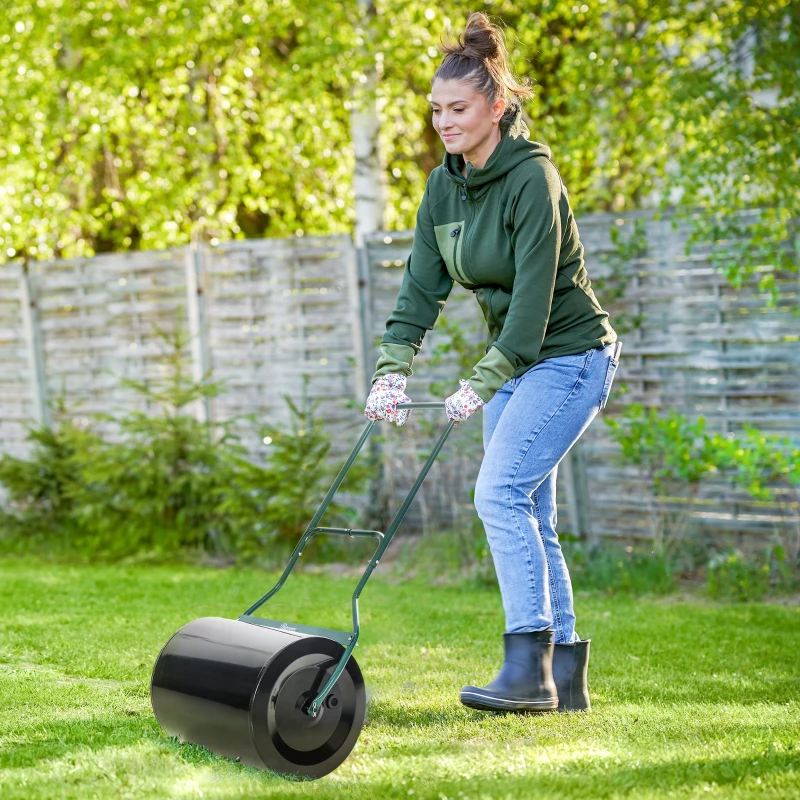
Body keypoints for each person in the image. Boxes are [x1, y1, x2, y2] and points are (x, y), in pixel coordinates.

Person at [364, 12, 622, 714]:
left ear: (495, 108)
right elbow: (421, 286)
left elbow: (533, 311)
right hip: (516, 364)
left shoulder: (532, 178)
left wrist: (477, 386)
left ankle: (527, 672)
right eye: (436, 110)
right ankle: (563, 679)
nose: (444, 122)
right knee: (531, 513)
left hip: (570, 357)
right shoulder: (442, 189)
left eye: (458, 109)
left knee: (497, 494)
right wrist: (393, 369)